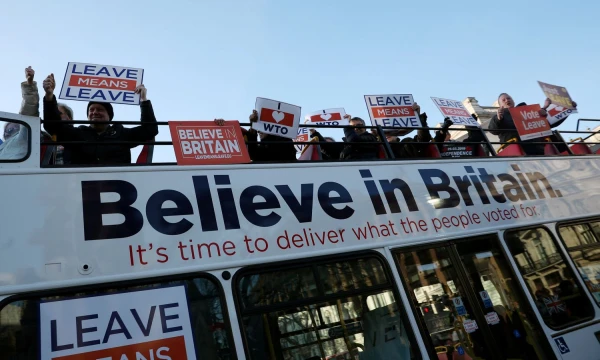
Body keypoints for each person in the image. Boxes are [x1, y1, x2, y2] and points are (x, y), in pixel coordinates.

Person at [42, 73, 158, 165]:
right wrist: (49, 96)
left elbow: (150, 130)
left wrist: (144, 100)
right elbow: (52, 126)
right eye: (91, 110)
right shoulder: (78, 133)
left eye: (100, 109)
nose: (95, 112)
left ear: (109, 116)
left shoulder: (122, 133)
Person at [488, 93, 577, 155]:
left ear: (513, 101)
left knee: (553, 135)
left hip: (539, 146)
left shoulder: (526, 111)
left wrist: (568, 108)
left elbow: (549, 123)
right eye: (504, 100)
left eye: (509, 98)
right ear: (500, 106)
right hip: (519, 147)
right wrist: (498, 118)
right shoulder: (500, 117)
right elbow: (492, 130)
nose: (507, 100)